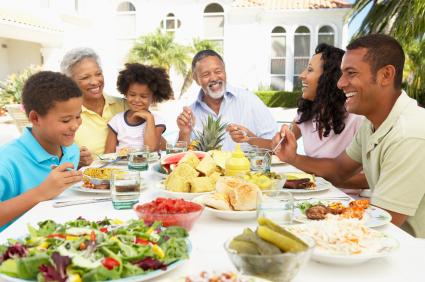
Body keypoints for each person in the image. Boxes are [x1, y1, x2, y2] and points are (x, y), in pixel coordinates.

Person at [273, 34, 425, 238]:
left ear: (386, 75)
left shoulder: (410, 134)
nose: (340, 83)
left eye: (351, 73)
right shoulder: (372, 123)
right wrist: (293, 158)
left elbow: (380, 225)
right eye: (342, 74)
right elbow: (338, 170)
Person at [0, 71, 83, 231]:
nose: (75, 125)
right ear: (35, 118)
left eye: (78, 116)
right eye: (66, 120)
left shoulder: (71, 150)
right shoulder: (7, 161)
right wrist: (41, 193)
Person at [292, 43, 365, 192]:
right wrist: (249, 138)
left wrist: (318, 179)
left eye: (310, 70)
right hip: (314, 195)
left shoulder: (357, 116)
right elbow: (278, 146)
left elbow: (369, 179)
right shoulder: (305, 112)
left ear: (328, 77)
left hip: (349, 201)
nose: (302, 75)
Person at [177, 49, 276, 151]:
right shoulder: (190, 114)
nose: (213, 78)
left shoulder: (250, 101)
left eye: (218, 71)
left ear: (225, 72)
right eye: (206, 74)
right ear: (196, 79)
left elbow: (277, 147)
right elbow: (179, 160)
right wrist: (184, 133)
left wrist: (249, 138)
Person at [60, 47, 126, 162]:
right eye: (85, 77)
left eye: (98, 74)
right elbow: (56, 160)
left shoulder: (125, 106)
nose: (95, 82)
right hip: (93, 178)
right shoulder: (65, 117)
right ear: (69, 81)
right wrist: (75, 160)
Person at [104, 63, 172, 153]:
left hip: (148, 166)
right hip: (122, 166)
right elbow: (108, 152)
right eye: (132, 95)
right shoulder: (117, 120)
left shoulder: (157, 121)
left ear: (154, 98)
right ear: (125, 93)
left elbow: (150, 149)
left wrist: (149, 118)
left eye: (143, 96)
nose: (137, 100)